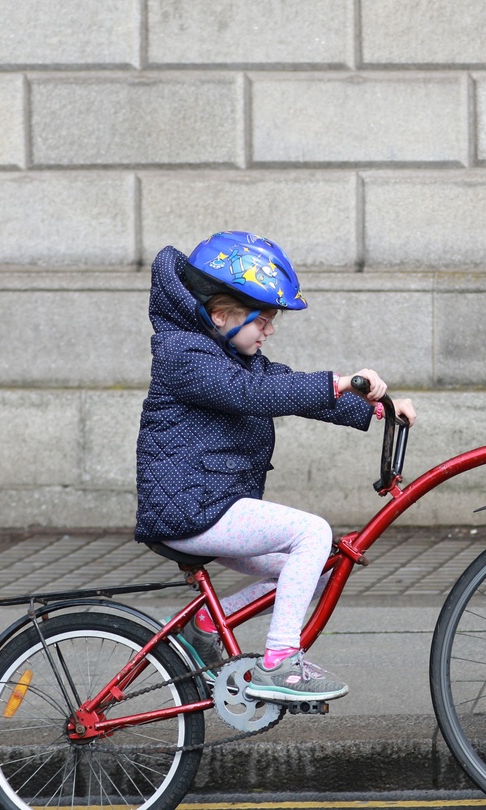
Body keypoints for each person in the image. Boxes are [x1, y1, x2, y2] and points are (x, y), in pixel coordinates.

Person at [134, 230, 416, 703]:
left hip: (212, 506)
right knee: (312, 533)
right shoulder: (185, 356)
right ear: (221, 315)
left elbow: (283, 385)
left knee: (320, 566)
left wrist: (377, 408)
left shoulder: (230, 354)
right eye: (262, 320)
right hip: (191, 508)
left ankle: (203, 627)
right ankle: (281, 662)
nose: (270, 330)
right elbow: (254, 395)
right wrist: (343, 381)